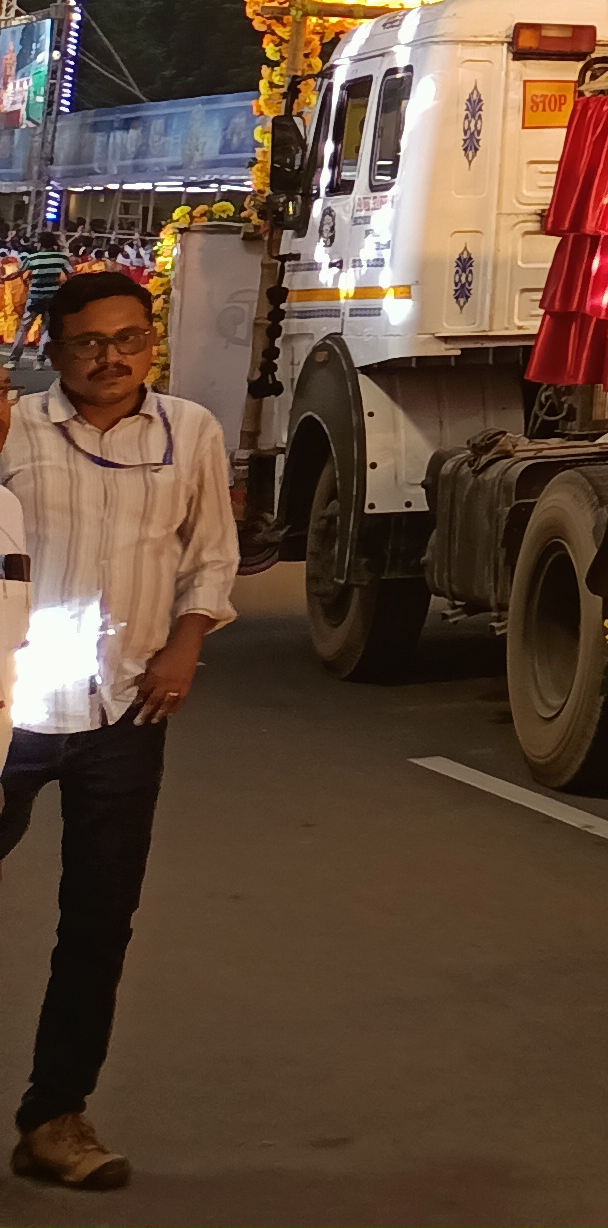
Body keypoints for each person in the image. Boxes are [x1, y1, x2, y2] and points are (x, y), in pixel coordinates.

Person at [0, 270, 238, 1190]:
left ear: (153, 343)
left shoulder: (193, 433)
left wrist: (185, 647)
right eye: (90, 342)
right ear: (53, 348)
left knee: (98, 921)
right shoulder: (15, 429)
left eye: (130, 339)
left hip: (126, 711)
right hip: (13, 712)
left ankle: (55, 1118)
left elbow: (210, 555)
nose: (112, 358)